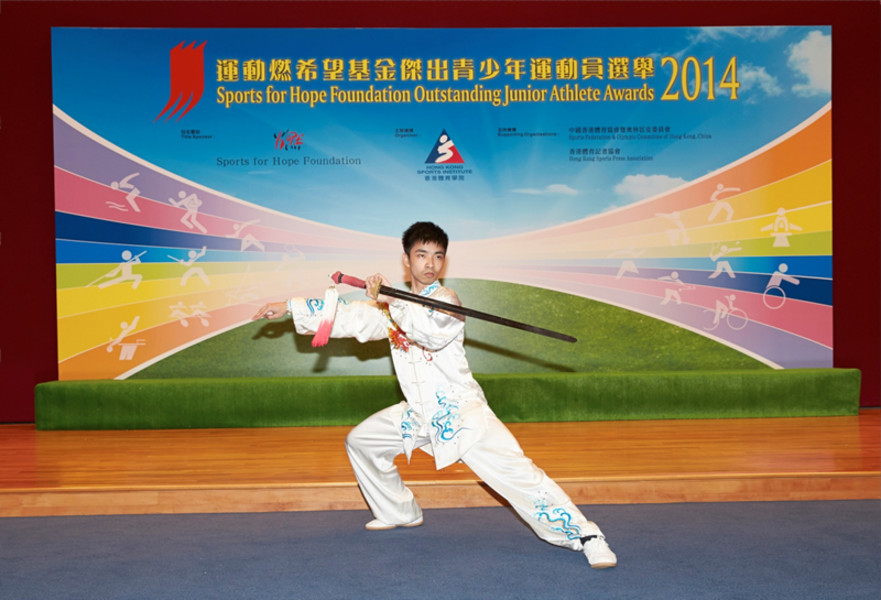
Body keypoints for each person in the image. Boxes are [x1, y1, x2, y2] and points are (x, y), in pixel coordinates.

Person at [252, 222, 617, 568]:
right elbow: (350, 318)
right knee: (362, 441)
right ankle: (399, 511)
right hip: (419, 413)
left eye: (438, 256)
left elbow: (428, 332)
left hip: (461, 413)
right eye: (422, 255)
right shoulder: (392, 305)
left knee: (520, 476)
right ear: (407, 259)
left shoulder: (445, 298)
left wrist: (391, 301)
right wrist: (288, 307)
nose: (430, 263)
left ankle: (586, 537)